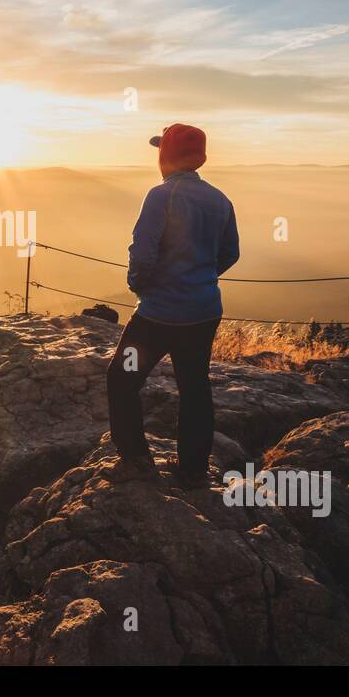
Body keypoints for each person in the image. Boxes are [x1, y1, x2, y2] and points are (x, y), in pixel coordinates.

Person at [106, 124, 239, 487]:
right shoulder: (220, 199)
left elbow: (143, 253)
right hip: (205, 312)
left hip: (158, 315)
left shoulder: (160, 195)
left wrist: (140, 286)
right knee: (194, 386)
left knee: (121, 380)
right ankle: (193, 471)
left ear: (166, 155)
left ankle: (136, 460)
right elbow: (231, 252)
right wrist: (201, 279)